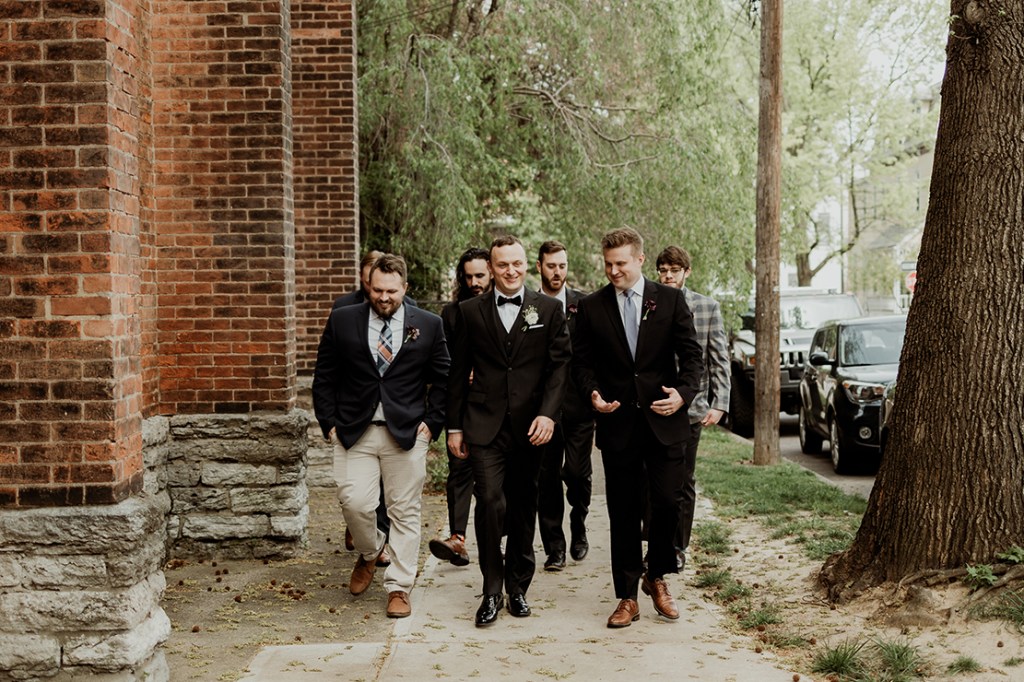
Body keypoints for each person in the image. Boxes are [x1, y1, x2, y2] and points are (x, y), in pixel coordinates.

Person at [571, 227, 702, 629]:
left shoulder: (671, 299)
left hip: (665, 421)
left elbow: (692, 358)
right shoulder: (591, 307)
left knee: (668, 502)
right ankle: (627, 595)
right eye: (608, 264)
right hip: (618, 424)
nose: (614, 271)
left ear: (640, 260)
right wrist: (592, 394)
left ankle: (656, 574)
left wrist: (682, 395)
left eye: (621, 264)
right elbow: (582, 364)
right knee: (623, 512)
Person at [312, 254, 450, 619]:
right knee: (354, 501)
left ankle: (399, 587)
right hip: (354, 432)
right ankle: (372, 551)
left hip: (407, 433)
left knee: (405, 510)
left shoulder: (429, 324)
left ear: (405, 288)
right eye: (377, 290)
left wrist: (432, 423)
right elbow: (324, 374)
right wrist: (328, 422)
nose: (384, 297)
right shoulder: (343, 319)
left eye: (391, 291)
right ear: (367, 286)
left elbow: (443, 378)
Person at [446, 235, 571, 626]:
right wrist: (454, 426)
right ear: (492, 267)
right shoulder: (469, 311)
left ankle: (518, 587)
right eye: (502, 265)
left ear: (526, 265)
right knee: (489, 502)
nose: (510, 271)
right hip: (483, 424)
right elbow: (456, 372)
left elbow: (559, 368)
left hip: (531, 426)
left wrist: (548, 415)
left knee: (523, 505)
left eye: (517, 263)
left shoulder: (547, 309)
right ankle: (491, 589)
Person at [655, 246, 730, 572]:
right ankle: (655, 540)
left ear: (687, 272)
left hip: (692, 410)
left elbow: (719, 359)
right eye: (663, 270)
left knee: (683, 480)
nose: (668, 276)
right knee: (653, 479)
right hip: (654, 408)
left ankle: (678, 546)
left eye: (674, 270)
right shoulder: (648, 303)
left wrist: (720, 404)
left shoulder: (706, 307)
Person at [428, 247, 493, 567]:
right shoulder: (452, 313)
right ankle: (457, 539)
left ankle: (497, 540)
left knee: (493, 481)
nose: (474, 282)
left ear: (492, 272)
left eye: (479, 275)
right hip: (463, 405)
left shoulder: (503, 308)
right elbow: (444, 362)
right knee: (459, 470)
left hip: (497, 406)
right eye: (468, 277)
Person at [534, 241, 595, 571]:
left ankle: (579, 522)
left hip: (579, 405)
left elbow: (595, 353)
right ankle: (554, 547)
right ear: (539, 267)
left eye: (562, 266)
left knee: (576, 472)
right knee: (546, 479)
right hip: (543, 408)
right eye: (551, 266)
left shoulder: (584, 305)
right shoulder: (530, 306)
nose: (557, 272)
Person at [331, 249, 392, 564]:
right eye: (370, 282)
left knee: (384, 482)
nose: (377, 291)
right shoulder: (343, 308)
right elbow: (332, 362)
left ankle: (381, 540)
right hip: (353, 410)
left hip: (391, 416)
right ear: (363, 278)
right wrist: (331, 417)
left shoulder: (406, 308)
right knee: (353, 489)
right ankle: (359, 526)